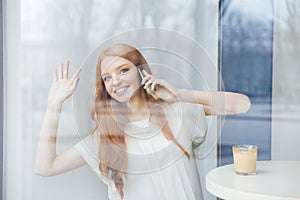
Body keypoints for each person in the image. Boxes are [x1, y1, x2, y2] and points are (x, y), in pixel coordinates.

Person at [35, 43, 251, 200]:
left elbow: (241, 104)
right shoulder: (105, 136)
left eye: (123, 70)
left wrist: (180, 95)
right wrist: (54, 104)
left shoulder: (178, 112)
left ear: (141, 72)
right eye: (107, 77)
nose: (115, 81)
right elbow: (45, 167)